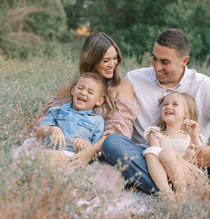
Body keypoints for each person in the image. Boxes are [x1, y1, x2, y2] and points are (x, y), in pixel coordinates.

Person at [102, 28, 210, 195]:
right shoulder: (135, 79)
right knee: (113, 142)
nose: (157, 66)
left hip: (193, 165)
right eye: (154, 58)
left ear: (184, 61)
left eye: (165, 62)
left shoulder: (204, 85)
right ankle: (182, 193)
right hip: (150, 164)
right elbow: (101, 99)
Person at [34, 32, 139, 165]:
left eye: (115, 58)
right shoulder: (71, 87)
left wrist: (90, 152)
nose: (112, 64)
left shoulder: (122, 86)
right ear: (91, 61)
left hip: (99, 152)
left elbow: (118, 132)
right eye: (106, 60)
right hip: (59, 148)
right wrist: (51, 131)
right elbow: (47, 121)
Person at [34, 72, 106, 167]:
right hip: (48, 149)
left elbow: (95, 150)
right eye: (80, 88)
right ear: (73, 90)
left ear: (99, 101)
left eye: (90, 92)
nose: (83, 93)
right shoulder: (58, 110)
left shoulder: (97, 121)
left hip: (71, 155)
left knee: (45, 158)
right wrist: (53, 129)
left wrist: (86, 146)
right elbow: (38, 133)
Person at [143, 91, 204, 198]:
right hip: (163, 176)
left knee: (167, 152)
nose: (168, 107)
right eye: (165, 104)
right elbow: (155, 159)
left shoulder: (190, 134)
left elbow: (202, 158)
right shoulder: (155, 133)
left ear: (186, 113)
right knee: (150, 153)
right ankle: (167, 193)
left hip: (189, 177)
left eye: (175, 104)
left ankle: (182, 192)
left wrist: (194, 137)